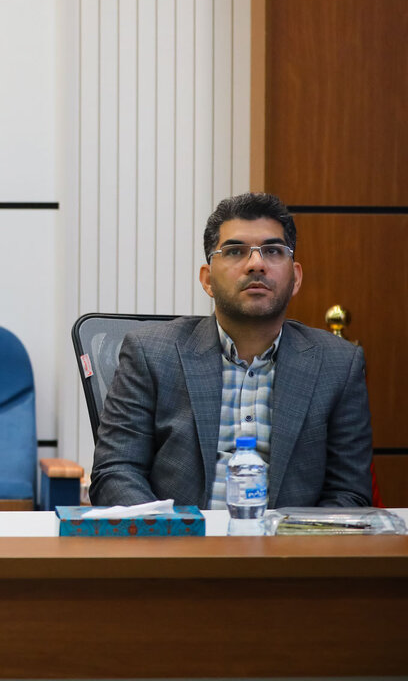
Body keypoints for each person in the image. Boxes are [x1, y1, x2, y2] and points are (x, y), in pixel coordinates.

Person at [91, 192, 372, 508]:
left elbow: (349, 493)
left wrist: (290, 539)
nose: (256, 264)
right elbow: (115, 472)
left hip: (287, 538)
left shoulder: (339, 364)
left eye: (272, 251)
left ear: (295, 278)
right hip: (180, 535)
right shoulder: (150, 353)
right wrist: (169, 531)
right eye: (236, 251)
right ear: (207, 279)